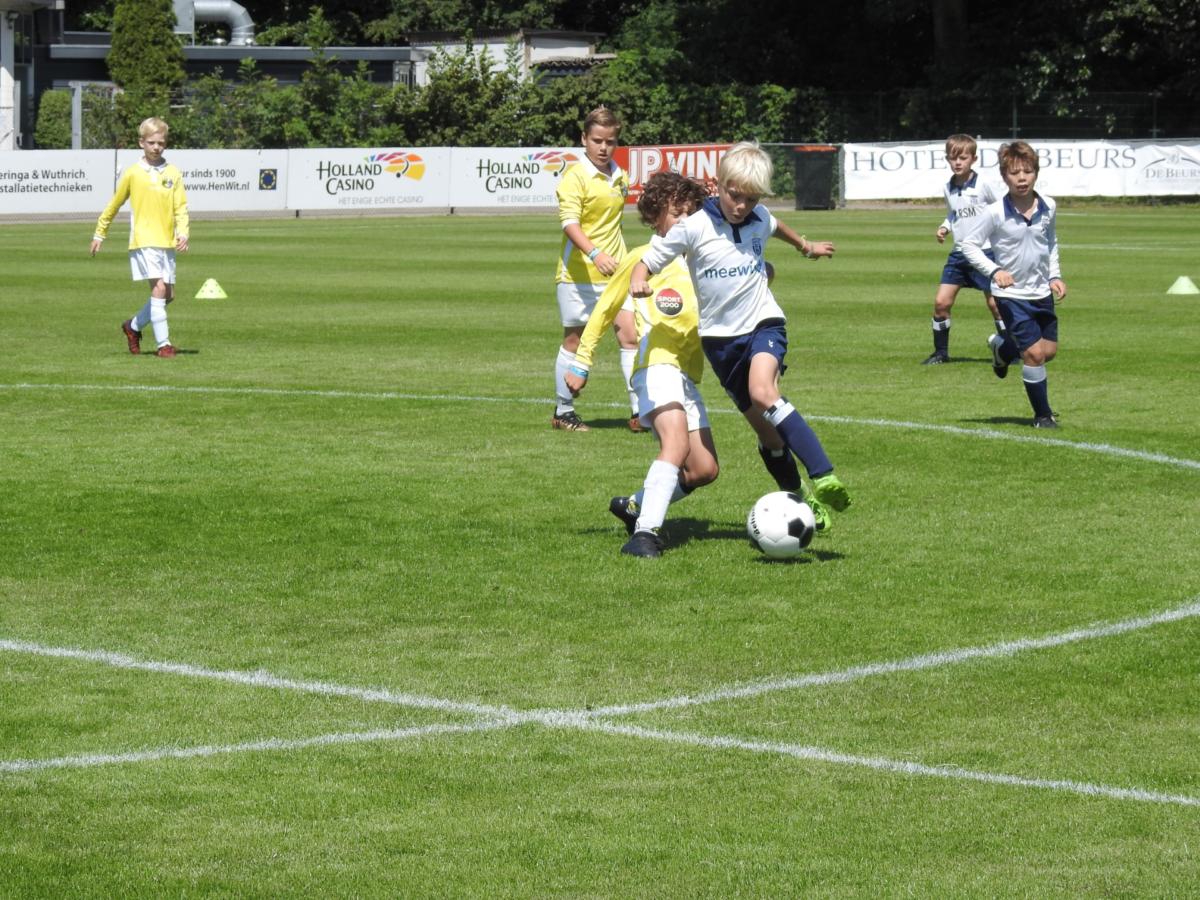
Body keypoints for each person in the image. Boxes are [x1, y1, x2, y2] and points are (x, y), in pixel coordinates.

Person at [629, 141, 851, 531]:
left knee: (765, 392)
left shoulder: (757, 216)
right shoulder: (695, 225)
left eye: (750, 199)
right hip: (721, 345)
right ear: (719, 184)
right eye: (735, 196)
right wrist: (638, 280)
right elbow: (651, 257)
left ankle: (823, 475)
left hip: (764, 325)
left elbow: (774, 224)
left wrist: (806, 247)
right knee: (770, 437)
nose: (741, 206)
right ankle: (801, 497)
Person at [566, 173, 718, 557]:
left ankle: (634, 505)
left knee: (704, 469)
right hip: (654, 365)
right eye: (676, 213)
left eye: (691, 213)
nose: (684, 221)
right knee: (676, 444)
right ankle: (645, 534)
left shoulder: (702, 258)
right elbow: (603, 311)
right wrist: (581, 363)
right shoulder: (641, 259)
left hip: (683, 374)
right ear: (655, 217)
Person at [960, 140, 1067, 428]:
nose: (1022, 178)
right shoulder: (995, 212)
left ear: (1036, 173)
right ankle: (1043, 416)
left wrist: (1054, 275)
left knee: (1048, 352)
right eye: (1015, 173)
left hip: (1041, 291)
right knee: (1033, 355)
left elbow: (1050, 243)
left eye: (1027, 172)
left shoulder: (1049, 206)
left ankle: (1002, 348)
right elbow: (968, 245)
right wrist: (994, 271)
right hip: (1011, 295)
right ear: (1004, 176)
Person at [550, 106, 641, 433]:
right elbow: (569, 224)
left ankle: (639, 412)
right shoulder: (574, 177)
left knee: (630, 335)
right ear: (584, 139)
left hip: (616, 272)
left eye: (610, 141)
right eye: (597, 141)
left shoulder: (620, 174)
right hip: (579, 274)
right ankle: (563, 411)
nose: (603, 148)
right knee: (574, 341)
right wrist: (595, 253)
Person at [91, 116, 190, 359]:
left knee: (168, 295)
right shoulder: (133, 174)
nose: (157, 147)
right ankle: (163, 345)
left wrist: (183, 232)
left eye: (161, 142)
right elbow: (113, 205)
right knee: (158, 289)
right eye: (152, 142)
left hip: (166, 241)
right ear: (141, 143)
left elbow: (181, 207)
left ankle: (133, 326)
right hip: (144, 240)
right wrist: (99, 233)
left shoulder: (173, 172)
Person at [923, 134, 1008, 365]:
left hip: (985, 253)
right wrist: (944, 227)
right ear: (947, 159)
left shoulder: (984, 185)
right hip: (959, 253)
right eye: (953, 158)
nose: (957, 162)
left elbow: (1002, 208)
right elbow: (954, 213)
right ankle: (940, 353)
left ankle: (1010, 351)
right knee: (941, 303)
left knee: (995, 306)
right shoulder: (947, 187)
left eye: (963, 157)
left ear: (973, 159)